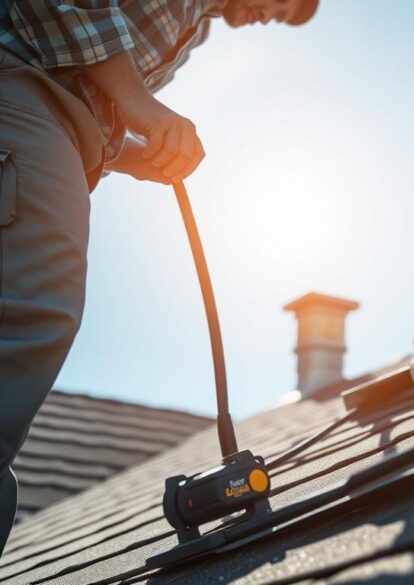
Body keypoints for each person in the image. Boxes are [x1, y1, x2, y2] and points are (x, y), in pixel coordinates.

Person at [0, 0, 318, 557]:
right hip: (18, 90)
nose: (271, 16)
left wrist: (131, 154)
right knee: (32, 314)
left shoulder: (194, 29)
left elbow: (82, 81)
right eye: (283, 4)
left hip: (40, 108)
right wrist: (139, 101)